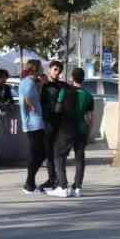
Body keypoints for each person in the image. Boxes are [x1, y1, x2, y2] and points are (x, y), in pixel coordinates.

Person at [51, 65, 96, 197]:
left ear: (72, 78)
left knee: (59, 156)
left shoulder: (65, 91)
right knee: (79, 158)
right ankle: (77, 187)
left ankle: (63, 186)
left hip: (66, 129)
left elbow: (57, 110)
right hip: (82, 129)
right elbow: (91, 118)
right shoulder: (88, 96)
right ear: (83, 79)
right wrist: (88, 132)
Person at [40, 60, 72, 197]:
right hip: (48, 123)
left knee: (58, 154)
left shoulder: (64, 86)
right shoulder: (44, 86)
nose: (57, 72)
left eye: (59, 70)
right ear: (49, 70)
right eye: (55, 69)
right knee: (49, 153)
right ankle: (52, 178)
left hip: (61, 124)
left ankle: (59, 180)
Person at [19, 59, 50, 194]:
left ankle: (30, 182)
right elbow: (27, 97)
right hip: (33, 123)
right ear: (36, 68)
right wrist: (31, 105)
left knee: (39, 153)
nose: (43, 70)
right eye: (41, 67)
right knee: (37, 153)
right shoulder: (28, 82)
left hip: (36, 122)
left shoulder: (32, 82)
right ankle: (29, 183)